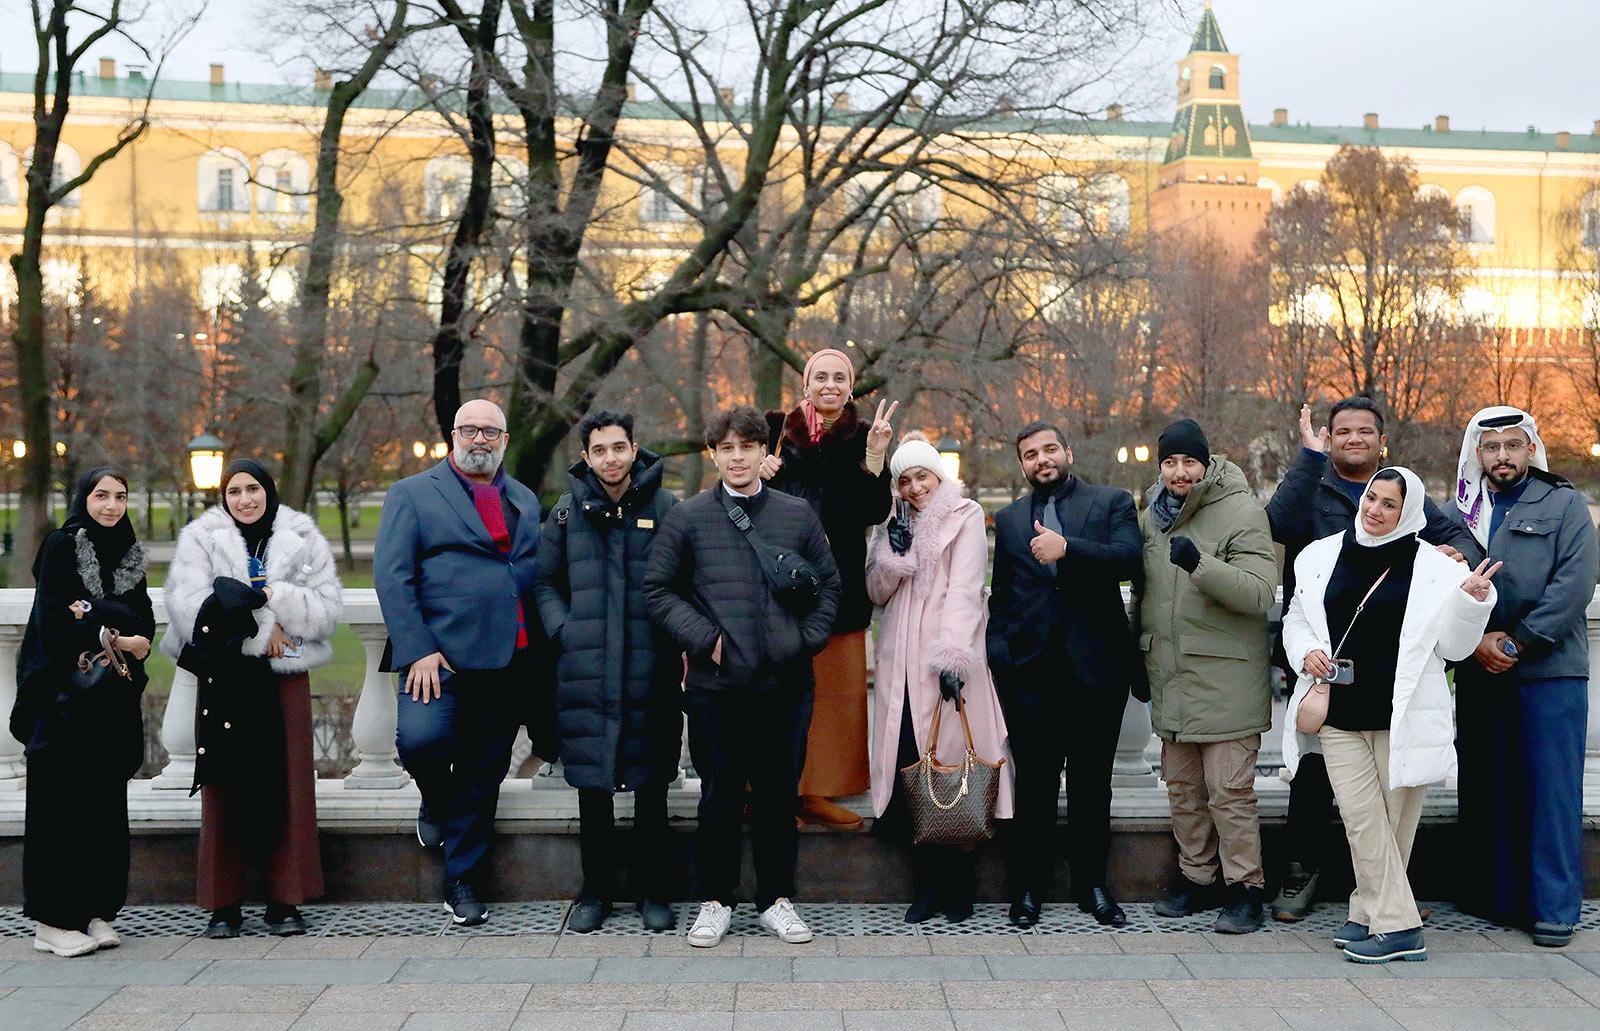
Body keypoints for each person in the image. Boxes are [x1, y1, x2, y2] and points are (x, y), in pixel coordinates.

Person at [1263, 397, 1475, 922]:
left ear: (1382, 442)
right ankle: (1302, 871)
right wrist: (1309, 458)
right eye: (1342, 431)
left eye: (1364, 431)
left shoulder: (1404, 491)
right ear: (1329, 438)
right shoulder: (1313, 487)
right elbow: (1277, 524)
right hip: (1321, 662)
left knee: (1389, 790)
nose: (1353, 438)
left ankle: (1385, 898)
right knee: (1314, 777)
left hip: (1386, 667)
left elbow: (1459, 540)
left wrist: (1456, 559)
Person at [1282, 467, 1499, 963]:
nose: (1374, 510)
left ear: (1409, 512)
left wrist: (1471, 604)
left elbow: (1455, 649)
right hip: (1337, 711)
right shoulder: (1319, 556)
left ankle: (1367, 914)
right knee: (1362, 820)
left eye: (1389, 504)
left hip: (1403, 717)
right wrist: (1306, 650)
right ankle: (1400, 926)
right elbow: (1297, 617)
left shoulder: (1438, 569)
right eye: (1371, 498)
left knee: (1393, 825)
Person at [644, 404, 842, 948]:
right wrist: (704, 639)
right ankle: (716, 900)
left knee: (779, 797)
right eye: (726, 448)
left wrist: (803, 641)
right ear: (713, 454)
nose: (737, 457)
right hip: (717, 688)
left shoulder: (797, 514)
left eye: (747, 446)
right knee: (720, 798)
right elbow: (658, 589)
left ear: (762, 452)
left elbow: (829, 587)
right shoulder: (688, 517)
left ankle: (777, 899)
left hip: (786, 685)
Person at [374, 398, 543, 927]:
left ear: (505, 440)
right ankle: (436, 801)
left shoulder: (524, 499)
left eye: (490, 432)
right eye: (469, 430)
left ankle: (463, 881)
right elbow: (392, 577)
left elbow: (529, 571)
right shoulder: (412, 494)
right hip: (437, 658)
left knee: (484, 770)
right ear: (453, 436)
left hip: (506, 659)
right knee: (420, 741)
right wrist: (417, 648)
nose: (479, 440)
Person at [162, 459, 341, 938]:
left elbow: (325, 611)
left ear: (269, 490)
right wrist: (264, 631)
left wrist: (272, 597)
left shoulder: (302, 536)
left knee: (290, 785)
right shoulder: (202, 538)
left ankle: (286, 899)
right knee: (223, 788)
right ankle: (224, 904)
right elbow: (188, 608)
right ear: (224, 496)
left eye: (253, 489)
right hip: (225, 678)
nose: (245, 499)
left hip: (284, 681)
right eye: (235, 491)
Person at [1449, 406, 1599, 948]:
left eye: (1513, 445)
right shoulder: (1459, 511)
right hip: (1480, 669)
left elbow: (1575, 584)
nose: (1503, 456)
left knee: (1551, 792)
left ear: (1530, 448)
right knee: (1489, 785)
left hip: (1548, 670)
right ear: (1477, 453)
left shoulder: (1563, 503)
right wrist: (1477, 640)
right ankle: (1500, 898)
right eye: (1491, 447)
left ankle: (1554, 909)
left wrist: (1518, 641)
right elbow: (1439, 582)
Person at [985, 421, 1141, 929]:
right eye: (1030, 454)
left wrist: (1068, 548)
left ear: (1068, 452)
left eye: (1049, 449)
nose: (1042, 459)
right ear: (1022, 465)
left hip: (1096, 673)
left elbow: (1129, 559)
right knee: (1034, 787)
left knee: (1092, 787)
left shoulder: (1111, 502)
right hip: (1030, 677)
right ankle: (1027, 888)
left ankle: (1092, 885)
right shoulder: (1010, 519)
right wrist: (1001, 657)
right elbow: (1003, 595)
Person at [534, 410, 682, 933]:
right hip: (586, 670)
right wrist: (565, 630)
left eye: (619, 447)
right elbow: (544, 582)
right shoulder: (566, 512)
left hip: (650, 668)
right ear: (586, 456)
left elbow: (684, 580)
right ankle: (594, 893)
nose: (611, 459)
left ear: (634, 449)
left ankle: (653, 892)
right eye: (599, 450)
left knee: (652, 786)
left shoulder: (666, 507)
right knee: (592, 790)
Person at [864, 432, 1014, 924]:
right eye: (905, 480)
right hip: (900, 664)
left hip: (947, 661)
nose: (915, 487)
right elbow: (876, 591)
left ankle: (960, 885)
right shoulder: (892, 522)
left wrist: (952, 657)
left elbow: (965, 589)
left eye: (922, 476)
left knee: (956, 766)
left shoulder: (965, 515)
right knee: (915, 765)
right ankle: (927, 885)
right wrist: (895, 555)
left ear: (938, 474)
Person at [1136, 418, 1277, 934]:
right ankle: (1198, 879)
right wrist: (1137, 655)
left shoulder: (1241, 511)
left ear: (1206, 463)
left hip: (1227, 683)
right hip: (1172, 678)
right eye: (1170, 462)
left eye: (1189, 461)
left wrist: (1201, 565)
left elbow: (1261, 592)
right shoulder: (1152, 518)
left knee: (1230, 794)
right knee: (1183, 791)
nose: (1180, 472)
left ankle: (1246, 890)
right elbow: (1146, 596)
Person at [11, 468, 154, 957]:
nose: (111, 505)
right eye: (101, 495)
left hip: (109, 703)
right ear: (84, 498)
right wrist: (117, 634)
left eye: (120, 496)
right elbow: (54, 623)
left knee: (103, 810)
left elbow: (145, 622)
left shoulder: (130, 553)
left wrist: (93, 613)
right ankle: (51, 922)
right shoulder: (62, 545)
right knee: (59, 810)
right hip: (63, 701)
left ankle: (96, 911)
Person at [761, 348, 896, 828]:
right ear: (806, 384)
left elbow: (874, 512)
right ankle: (770, 793)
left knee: (835, 697)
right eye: (821, 377)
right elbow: (743, 496)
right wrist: (760, 473)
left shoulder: (866, 436)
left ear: (851, 387)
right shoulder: (775, 432)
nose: (830, 385)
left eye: (840, 377)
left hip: (839, 586)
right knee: (774, 697)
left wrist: (875, 458)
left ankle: (817, 791)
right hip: (779, 588)